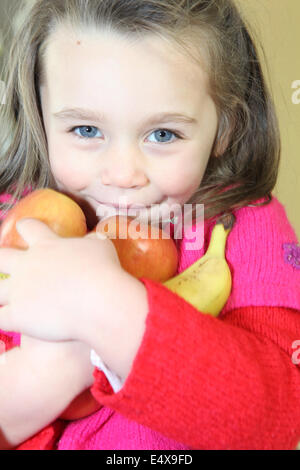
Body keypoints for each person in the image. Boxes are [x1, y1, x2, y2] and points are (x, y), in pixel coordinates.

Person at [0, 0, 299, 450]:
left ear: (224, 129)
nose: (122, 174)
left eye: (163, 135)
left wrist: (109, 308)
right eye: (85, 130)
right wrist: (59, 368)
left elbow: (279, 420)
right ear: (41, 116)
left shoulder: (244, 226)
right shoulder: (16, 228)